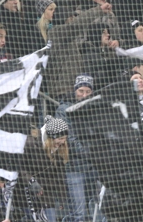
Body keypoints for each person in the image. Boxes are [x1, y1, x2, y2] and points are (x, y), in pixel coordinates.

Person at [55, 74, 94, 222]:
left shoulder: (95, 109)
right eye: (81, 91)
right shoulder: (63, 110)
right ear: (75, 90)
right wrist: (92, 153)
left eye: (88, 92)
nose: (84, 95)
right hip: (74, 167)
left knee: (96, 208)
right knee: (78, 213)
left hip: (93, 167)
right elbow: (69, 139)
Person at [20, 116, 69, 222]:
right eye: (60, 138)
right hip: (29, 194)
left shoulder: (59, 148)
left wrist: (62, 197)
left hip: (48, 194)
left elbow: (60, 175)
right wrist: (31, 182)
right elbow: (19, 167)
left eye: (65, 139)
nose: (63, 142)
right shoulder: (30, 143)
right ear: (51, 137)